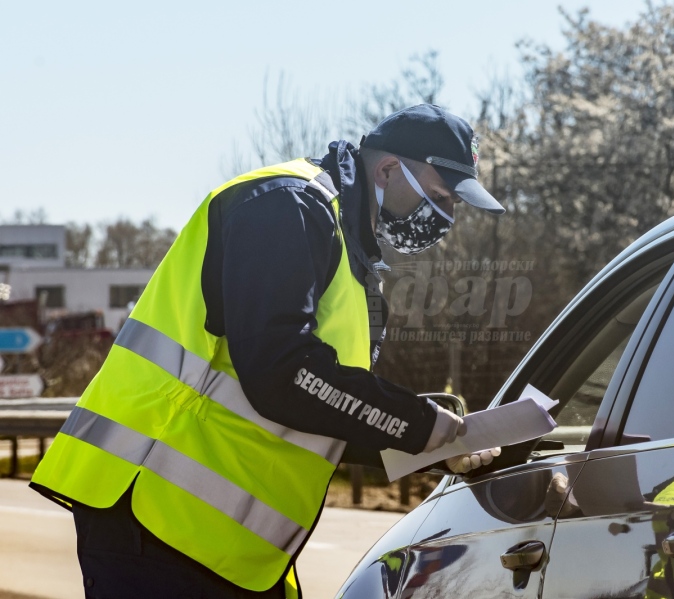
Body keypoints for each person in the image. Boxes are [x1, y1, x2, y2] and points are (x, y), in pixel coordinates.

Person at [30, 104, 504, 598]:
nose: (445, 217)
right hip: (150, 513)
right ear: (387, 169)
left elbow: (321, 409)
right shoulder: (288, 206)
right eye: (439, 197)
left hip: (214, 541)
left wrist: (435, 444)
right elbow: (283, 374)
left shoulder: (344, 242)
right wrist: (418, 423)